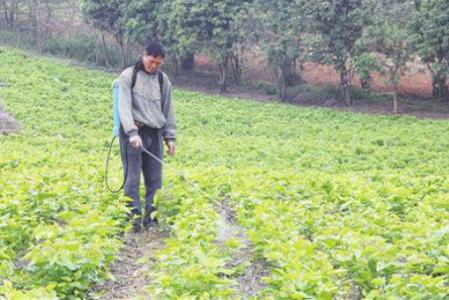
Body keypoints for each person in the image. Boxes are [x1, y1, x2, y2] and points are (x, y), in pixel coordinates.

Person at [118, 41, 176, 232]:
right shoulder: (128, 76)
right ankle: (134, 221)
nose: (154, 66)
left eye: (159, 64)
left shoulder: (162, 80)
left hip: (155, 133)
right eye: (152, 61)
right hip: (133, 133)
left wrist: (170, 138)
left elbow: (168, 109)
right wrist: (132, 133)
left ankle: (151, 220)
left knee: (155, 180)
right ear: (144, 56)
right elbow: (124, 107)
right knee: (132, 178)